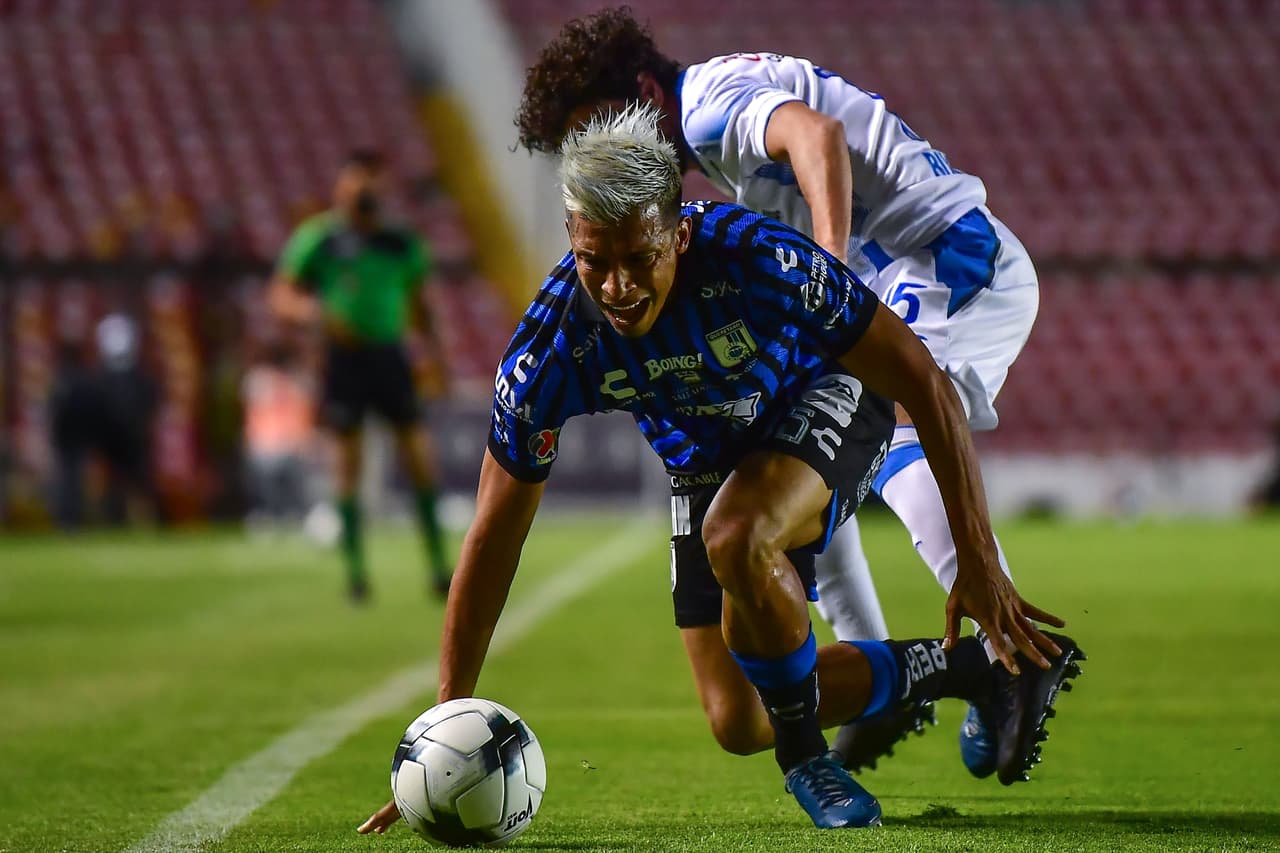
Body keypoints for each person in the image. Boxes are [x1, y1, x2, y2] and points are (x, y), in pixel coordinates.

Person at [359, 106, 1081, 833]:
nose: (616, 287)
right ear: (573, 239)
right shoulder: (550, 347)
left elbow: (921, 379)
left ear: (678, 233)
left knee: (736, 534)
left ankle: (806, 759)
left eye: (638, 259)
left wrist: (979, 563)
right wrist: (444, 725)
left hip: (828, 396)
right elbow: (493, 532)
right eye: (594, 261)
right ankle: (973, 672)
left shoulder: (758, 260)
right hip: (706, 461)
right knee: (737, 716)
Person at [514, 6, 1042, 776]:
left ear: (637, 90)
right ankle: (889, 677)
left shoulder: (709, 103)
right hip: (907, 264)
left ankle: (1013, 650)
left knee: (891, 422)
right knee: (793, 442)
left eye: (601, 125)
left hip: (944, 257)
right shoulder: (706, 137)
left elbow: (814, 136)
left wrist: (827, 265)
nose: (601, 152)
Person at [269, 149, 452, 601]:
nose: (362, 194)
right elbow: (282, 295)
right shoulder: (319, 239)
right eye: (355, 184)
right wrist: (314, 312)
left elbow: (422, 302)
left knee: (418, 460)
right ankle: (356, 573)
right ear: (341, 188)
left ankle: (438, 566)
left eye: (371, 185)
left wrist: (435, 353)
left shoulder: (401, 241)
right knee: (346, 465)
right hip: (344, 359)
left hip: (390, 357)